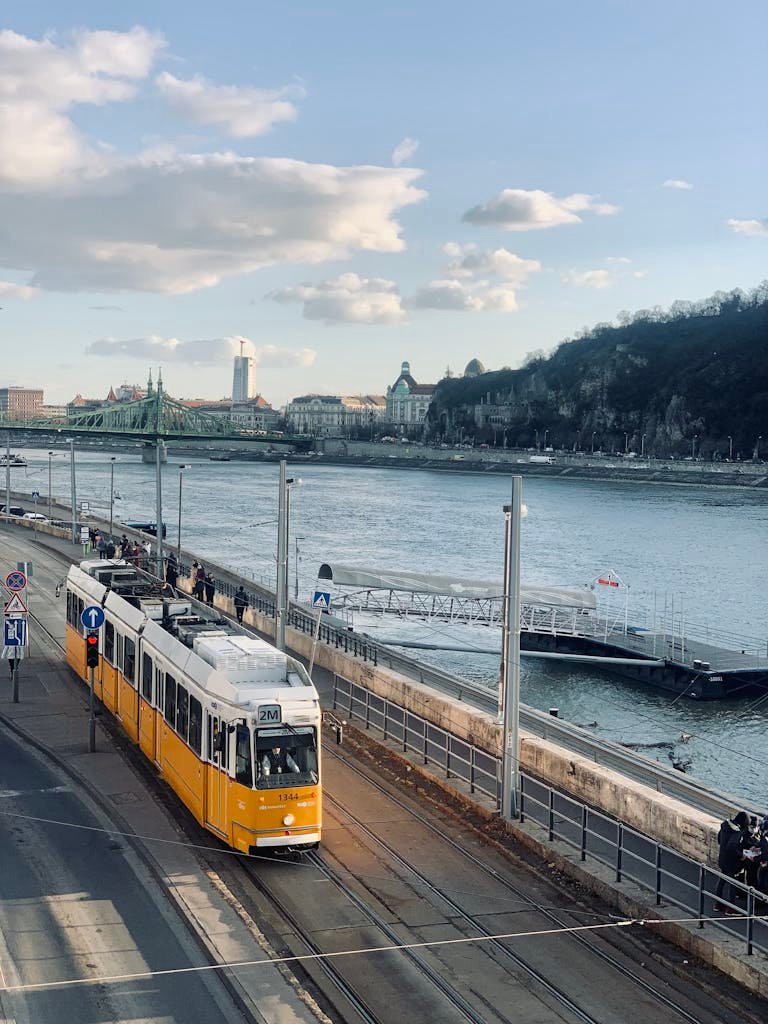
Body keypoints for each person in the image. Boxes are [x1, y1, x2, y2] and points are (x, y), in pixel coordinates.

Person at [715, 811, 749, 914]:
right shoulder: (736, 832)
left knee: (722, 881)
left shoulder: (725, 826)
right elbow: (732, 847)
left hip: (723, 859)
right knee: (733, 883)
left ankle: (717, 903)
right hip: (731, 862)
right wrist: (741, 855)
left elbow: (719, 839)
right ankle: (730, 908)